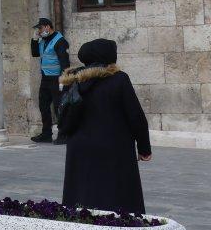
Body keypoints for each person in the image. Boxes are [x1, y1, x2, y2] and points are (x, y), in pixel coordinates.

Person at [60, 38, 151, 215]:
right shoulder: (119, 79)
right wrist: (144, 148)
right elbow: (135, 116)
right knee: (117, 197)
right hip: (114, 147)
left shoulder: (72, 80)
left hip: (79, 147)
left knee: (81, 193)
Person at [30, 18, 71, 144]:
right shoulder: (43, 40)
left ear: (48, 27)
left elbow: (65, 62)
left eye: (40, 28)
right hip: (46, 78)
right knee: (43, 106)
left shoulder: (60, 41)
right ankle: (46, 134)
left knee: (59, 107)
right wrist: (34, 39)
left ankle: (63, 134)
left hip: (56, 79)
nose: (39, 31)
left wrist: (63, 81)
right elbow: (35, 54)